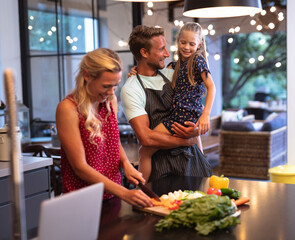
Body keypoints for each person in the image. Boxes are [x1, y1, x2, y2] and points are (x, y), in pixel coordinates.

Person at [56, 48, 153, 207]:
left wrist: (126, 164)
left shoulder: (109, 100)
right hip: (82, 199)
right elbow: (79, 167)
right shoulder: (68, 109)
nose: (110, 92)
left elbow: (113, 141)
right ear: (87, 76)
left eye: (115, 86)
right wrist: (124, 193)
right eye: (106, 86)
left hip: (112, 193)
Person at [121, 25, 213, 182]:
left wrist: (196, 130)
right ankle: (140, 187)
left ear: (199, 44)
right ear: (144, 53)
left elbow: (196, 104)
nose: (167, 54)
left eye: (192, 44)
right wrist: (186, 141)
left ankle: (139, 186)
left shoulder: (172, 73)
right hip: (162, 169)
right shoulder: (132, 88)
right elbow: (146, 138)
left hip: (192, 161)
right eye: (162, 49)